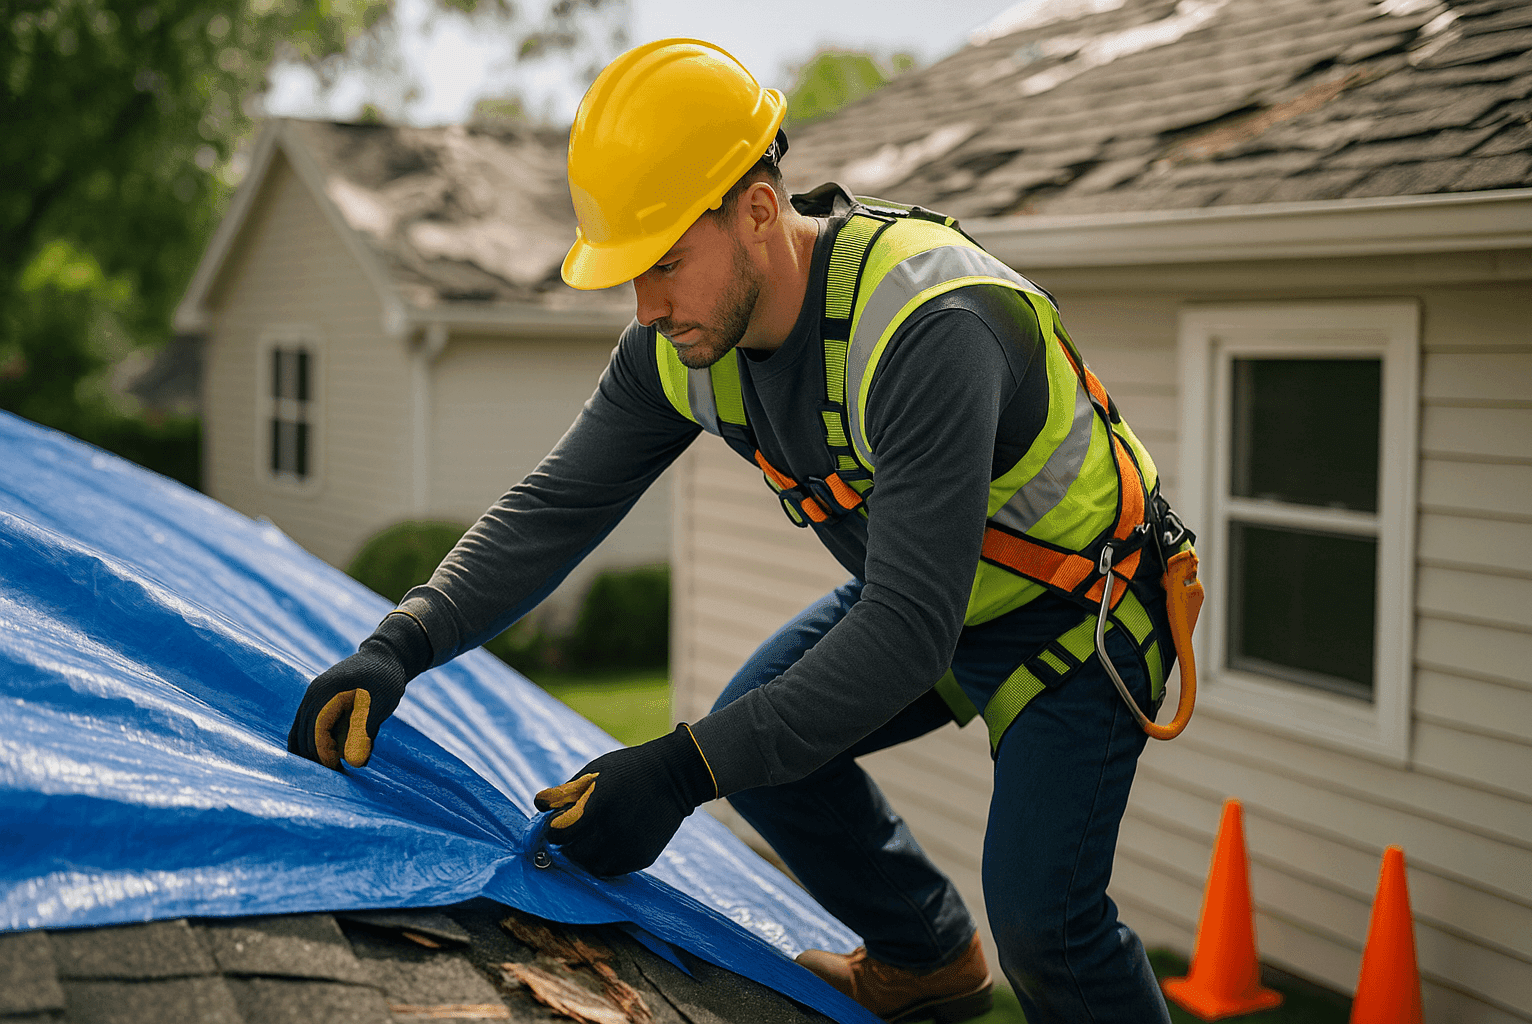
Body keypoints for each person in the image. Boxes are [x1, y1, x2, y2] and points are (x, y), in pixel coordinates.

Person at [289, 38, 1197, 1024]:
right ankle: (927, 960)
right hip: (934, 587)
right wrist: (401, 642)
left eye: (666, 263)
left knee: (1045, 927)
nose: (645, 307)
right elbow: (557, 505)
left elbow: (906, 634)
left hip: (1079, 616)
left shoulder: (928, 324)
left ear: (759, 210)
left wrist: (682, 769)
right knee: (764, 733)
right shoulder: (678, 347)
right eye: (633, 272)